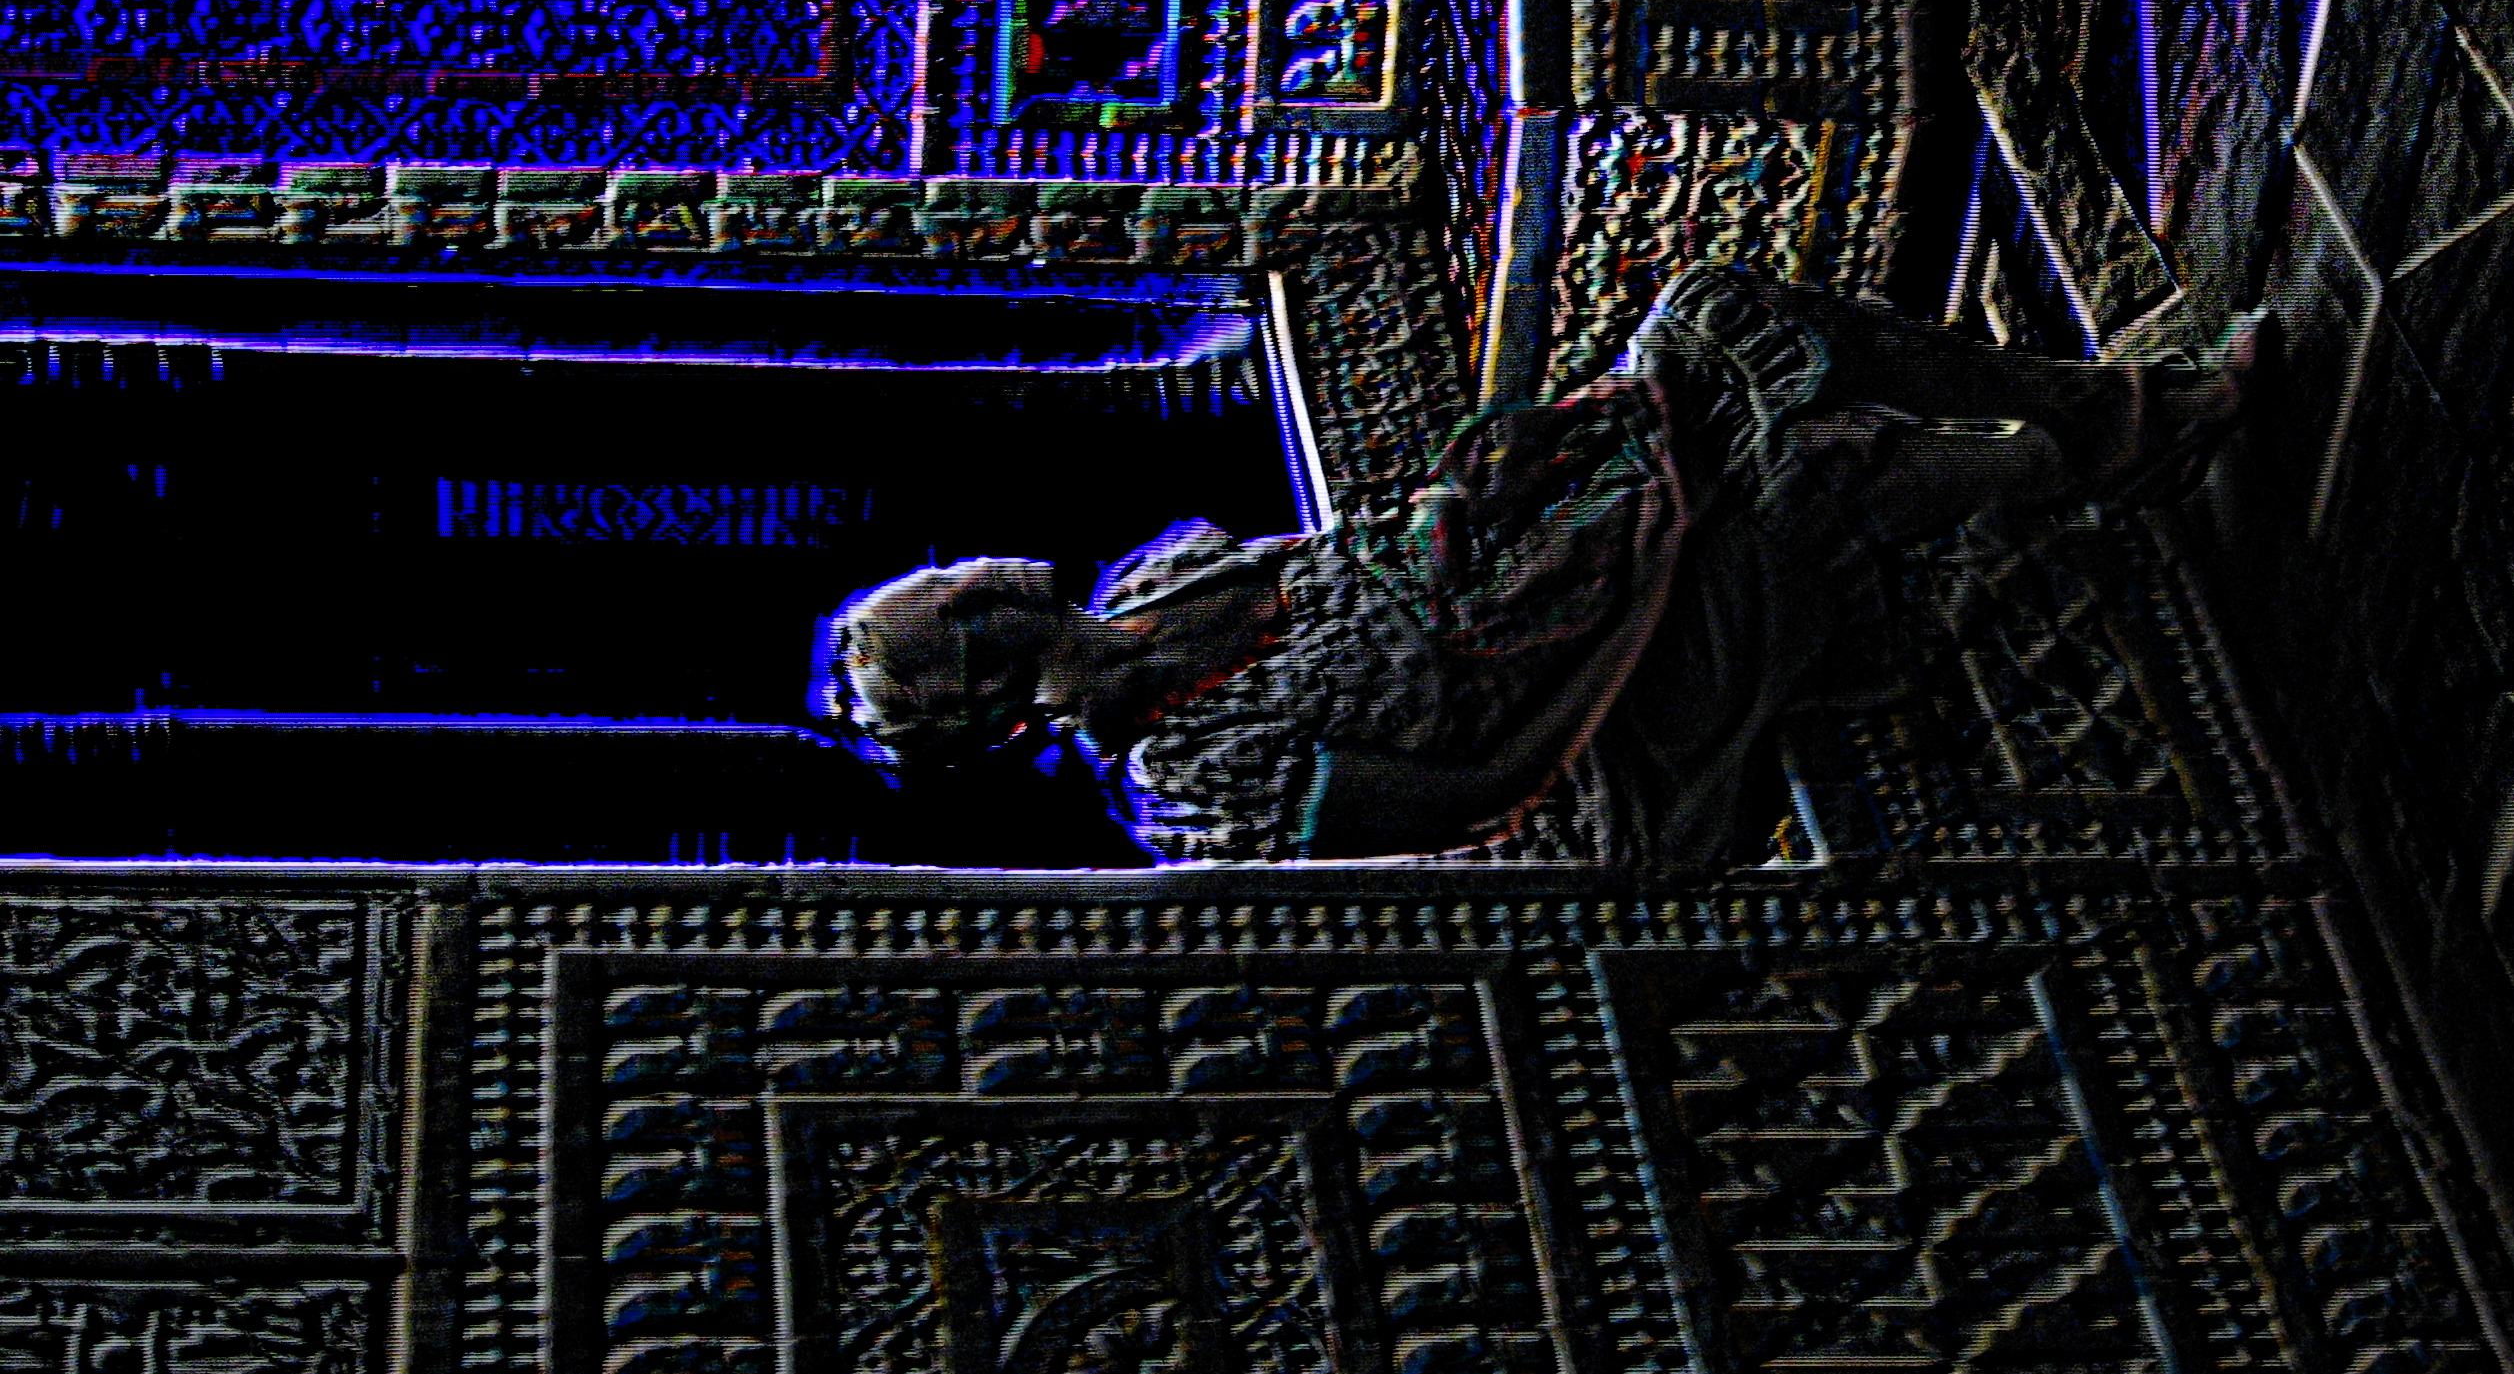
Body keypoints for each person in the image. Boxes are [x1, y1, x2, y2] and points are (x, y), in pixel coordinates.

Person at [828, 266, 2272, 875]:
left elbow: (1382, 553)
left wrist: (1549, 494)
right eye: (947, 592)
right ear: (987, 652)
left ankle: (2092, 414)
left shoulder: (1162, 578)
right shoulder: (1191, 779)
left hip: (1557, 569)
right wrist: (1645, 591)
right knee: (1803, 470)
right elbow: (1481, 789)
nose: (963, 566)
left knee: (1711, 315)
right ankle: (2150, 432)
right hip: (1612, 740)